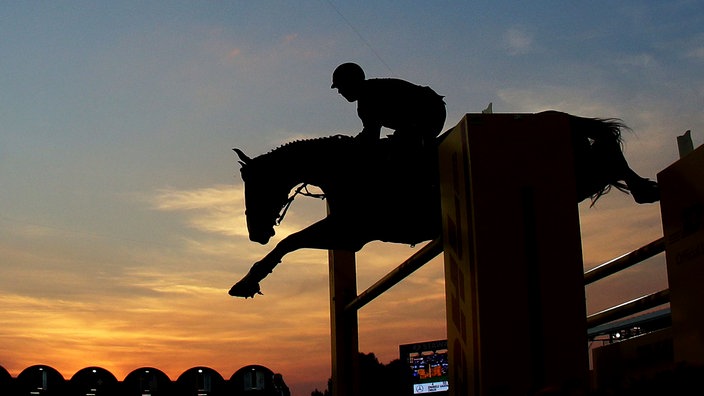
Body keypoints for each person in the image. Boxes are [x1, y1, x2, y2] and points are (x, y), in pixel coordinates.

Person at [331, 62, 446, 154]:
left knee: (397, 148)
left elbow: (371, 137)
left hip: (429, 114)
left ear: (350, 83)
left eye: (340, 87)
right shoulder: (370, 91)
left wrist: (348, 145)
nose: (340, 92)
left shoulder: (368, 98)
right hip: (428, 113)